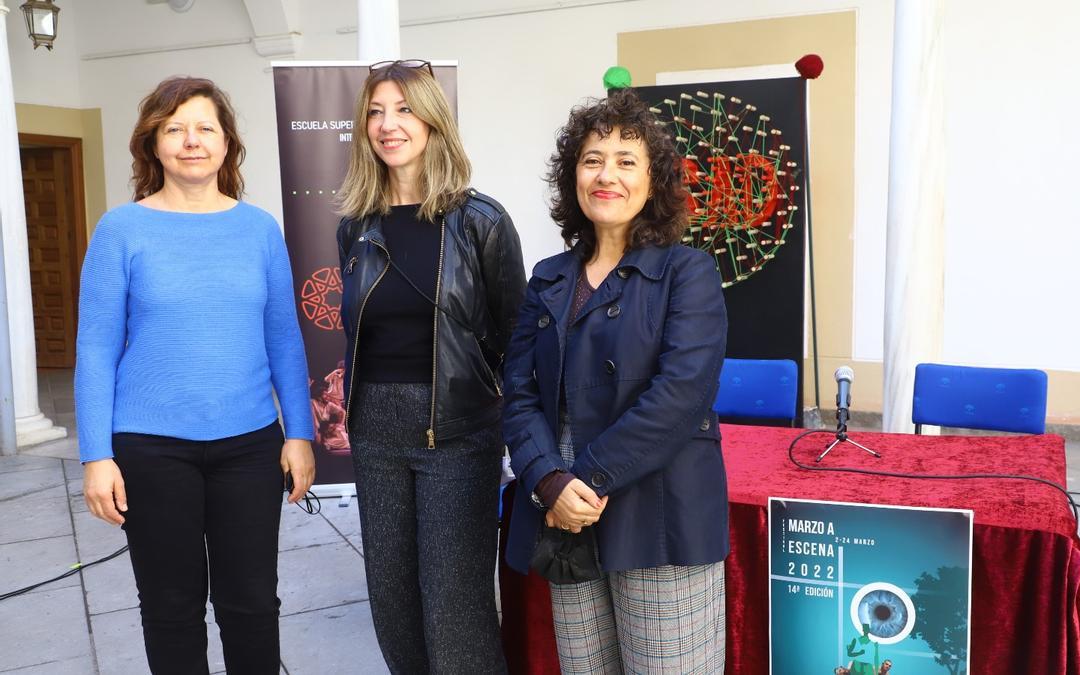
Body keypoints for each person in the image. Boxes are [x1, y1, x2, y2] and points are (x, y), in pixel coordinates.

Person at [76, 76, 315, 674]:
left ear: (227, 144)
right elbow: (96, 350)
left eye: (205, 127)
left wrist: (300, 433)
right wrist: (95, 456)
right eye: (174, 128)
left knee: (253, 604)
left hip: (248, 446)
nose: (191, 141)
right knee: (170, 607)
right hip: (152, 451)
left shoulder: (259, 229)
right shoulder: (121, 230)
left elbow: (284, 338)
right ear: (152, 144)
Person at [503, 88, 729, 674]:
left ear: (654, 182)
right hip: (565, 514)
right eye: (592, 159)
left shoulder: (689, 272)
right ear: (573, 177)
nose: (608, 175)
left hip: (657, 511)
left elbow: (682, 395)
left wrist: (582, 481)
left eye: (627, 161)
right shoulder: (548, 277)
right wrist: (549, 481)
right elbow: (519, 390)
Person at [335, 59, 524, 674]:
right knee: (391, 598)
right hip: (376, 432)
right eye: (375, 112)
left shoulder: (481, 221)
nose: (389, 125)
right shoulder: (355, 227)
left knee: (455, 606)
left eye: (404, 109)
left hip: (458, 432)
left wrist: (499, 419)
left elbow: (513, 337)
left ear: (434, 120)